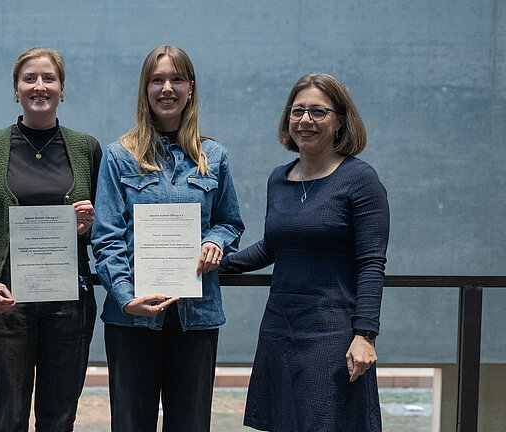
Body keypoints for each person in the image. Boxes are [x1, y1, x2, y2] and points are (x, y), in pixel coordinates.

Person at [221, 73, 390, 431]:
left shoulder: (360, 179)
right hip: (280, 327)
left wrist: (366, 334)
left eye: (318, 112)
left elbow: (372, 262)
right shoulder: (278, 179)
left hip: (333, 332)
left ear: (340, 120)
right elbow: (273, 245)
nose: (305, 121)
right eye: (298, 111)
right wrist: (216, 264)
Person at [91, 45, 244, 432]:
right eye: (157, 79)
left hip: (197, 317)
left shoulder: (214, 156)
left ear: (190, 88)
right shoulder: (118, 156)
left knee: (191, 424)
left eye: (176, 79)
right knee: (130, 424)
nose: (167, 88)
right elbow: (106, 237)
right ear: (145, 89)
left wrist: (216, 241)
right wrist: (126, 299)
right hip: (132, 319)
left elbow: (230, 222)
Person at [0, 47, 102, 432]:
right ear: (16, 89)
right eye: (29, 79)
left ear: (63, 89)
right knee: (8, 417)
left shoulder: (87, 149)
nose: (40, 86)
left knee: (59, 418)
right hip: (6, 303)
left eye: (49, 79)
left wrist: (88, 226)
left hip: (69, 306)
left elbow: (108, 231)